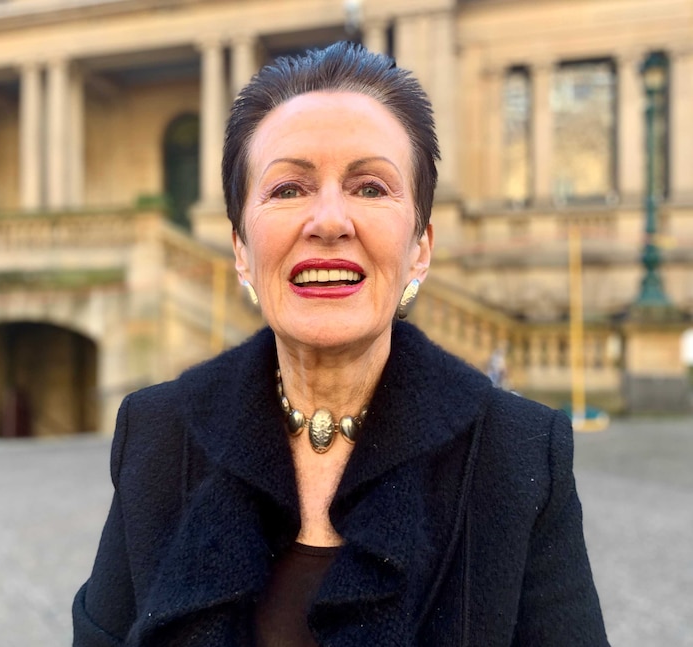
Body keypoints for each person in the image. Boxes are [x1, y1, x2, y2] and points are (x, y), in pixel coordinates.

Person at [72, 41, 608, 646]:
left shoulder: (520, 455)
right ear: (242, 251)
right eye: (288, 188)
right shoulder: (155, 435)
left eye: (371, 187)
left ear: (420, 248)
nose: (329, 220)